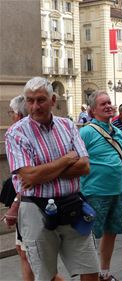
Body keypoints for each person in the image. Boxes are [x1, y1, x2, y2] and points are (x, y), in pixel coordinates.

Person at [5, 77, 99, 281]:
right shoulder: (16, 133)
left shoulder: (67, 125)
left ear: (53, 99)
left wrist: (40, 173)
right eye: (30, 101)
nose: (35, 106)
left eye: (40, 100)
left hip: (73, 206)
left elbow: (84, 166)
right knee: (44, 275)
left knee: (90, 270)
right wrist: (67, 159)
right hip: (36, 210)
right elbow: (29, 176)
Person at [79, 91, 122, 281]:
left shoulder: (118, 132)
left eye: (109, 102)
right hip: (94, 192)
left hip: (117, 191)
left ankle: (104, 273)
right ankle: (90, 275)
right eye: (102, 104)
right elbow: (78, 161)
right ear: (92, 110)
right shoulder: (86, 131)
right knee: (89, 238)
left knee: (111, 233)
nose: (108, 106)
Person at [2, 95, 35, 281]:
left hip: (28, 202)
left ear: (20, 115)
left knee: (29, 253)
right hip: (27, 201)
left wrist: (15, 205)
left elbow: (27, 176)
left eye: (12, 113)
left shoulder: (16, 133)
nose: (11, 116)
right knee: (23, 251)